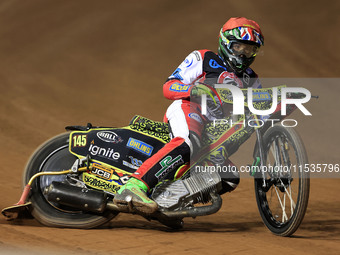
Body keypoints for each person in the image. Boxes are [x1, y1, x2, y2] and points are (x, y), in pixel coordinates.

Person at [114, 17, 265, 214]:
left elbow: (258, 112)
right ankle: (133, 187)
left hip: (213, 130)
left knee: (228, 176)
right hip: (188, 109)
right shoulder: (204, 57)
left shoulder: (252, 79)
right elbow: (169, 86)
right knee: (188, 143)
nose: (244, 54)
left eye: (250, 49)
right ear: (226, 43)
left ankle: (167, 202)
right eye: (239, 48)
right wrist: (196, 90)